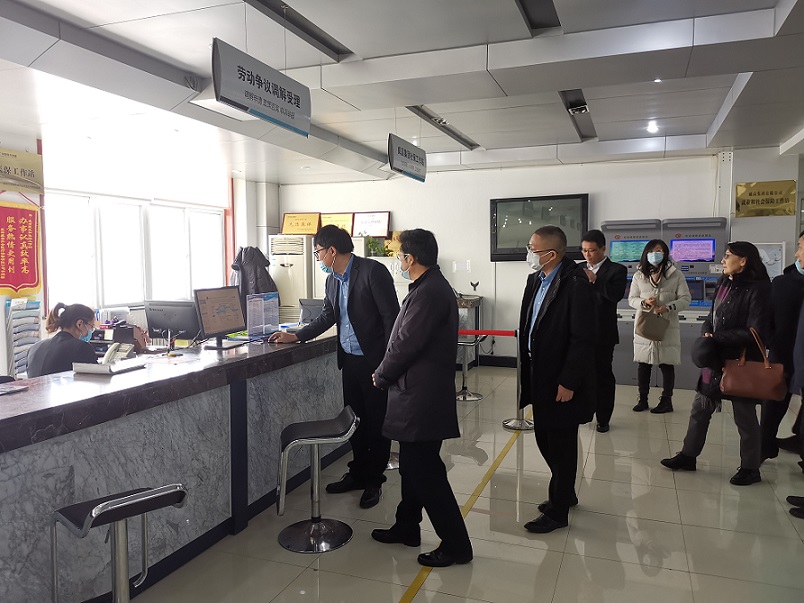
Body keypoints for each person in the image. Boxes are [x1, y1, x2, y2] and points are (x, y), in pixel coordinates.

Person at [268, 225, 399, 509]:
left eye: (318, 253)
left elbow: (391, 318)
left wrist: (388, 362)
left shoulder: (372, 272)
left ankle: (374, 480)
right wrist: (296, 336)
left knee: (377, 424)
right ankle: (358, 473)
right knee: (356, 422)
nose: (318, 258)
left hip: (374, 363)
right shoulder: (332, 281)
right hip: (349, 362)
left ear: (331, 251)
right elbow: (327, 316)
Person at [370, 229, 472, 568]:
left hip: (421, 397)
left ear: (410, 258)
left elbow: (406, 344)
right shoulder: (428, 287)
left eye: (400, 256)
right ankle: (407, 526)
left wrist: (382, 374)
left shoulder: (429, 292)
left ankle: (456, 545)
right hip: (418, 393)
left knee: (425, 471)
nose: (399, 261)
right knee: (414, 467)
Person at [661, 241, 773, 486]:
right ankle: (688, 455)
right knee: (700, 409)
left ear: (743, 260)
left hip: (742, 362)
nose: (722, 260)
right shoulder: (724, 283)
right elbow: (712, 316)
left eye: (728, 256)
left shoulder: (759, 289)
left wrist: (717, 338)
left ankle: (750, 468)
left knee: (744, 417)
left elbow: (757, 331)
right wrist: (707, 332)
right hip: (714, 360)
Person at [518, 225, 596, 533]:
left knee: (561, 443)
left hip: (560, 377)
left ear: (551, 254)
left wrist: (569, 381)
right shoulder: (535, 280)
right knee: (544, 437)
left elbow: (583, 338)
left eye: (532, 248)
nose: (528, 253)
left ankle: (558, 510)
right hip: (539, 371)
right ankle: (565, 492)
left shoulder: (575, 284)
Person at [628, 239, 691, 413]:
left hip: (667, 325)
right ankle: (642, 399)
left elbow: (686, 299)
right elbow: (632, 299)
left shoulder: (676, 275)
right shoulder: (639, 275)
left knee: (666, 364)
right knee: (643, 364)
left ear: (665, 253)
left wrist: (668, 307)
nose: (655, 254)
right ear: (646, 253)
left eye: (659, 251)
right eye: (651, 251)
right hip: (646, 323)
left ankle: (666, 401)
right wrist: (644, 302)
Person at [760, 232, 804, 461]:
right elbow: (766, 319)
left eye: (801, 247)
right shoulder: (782, 283)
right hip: (784, 354)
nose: (797, 253)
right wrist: (773, 343)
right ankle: (765, 446)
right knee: (773, 402)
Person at [581, 229, 628, 433]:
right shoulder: (578, 269)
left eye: (592, 250)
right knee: (580, 375)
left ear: (603, 249)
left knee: (602, 376)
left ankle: (603, 418)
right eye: (584, 250)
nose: (588, 255)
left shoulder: (617, 270)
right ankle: (583, 413)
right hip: (579, 333)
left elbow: (615, 296)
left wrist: (595, 280)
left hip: (602, 333)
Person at [26, 303, 98, 377]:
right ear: (79, 324)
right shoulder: (82, 348)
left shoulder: (34, 348)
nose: (91, 331)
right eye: (91, 327)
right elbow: (96, 378)